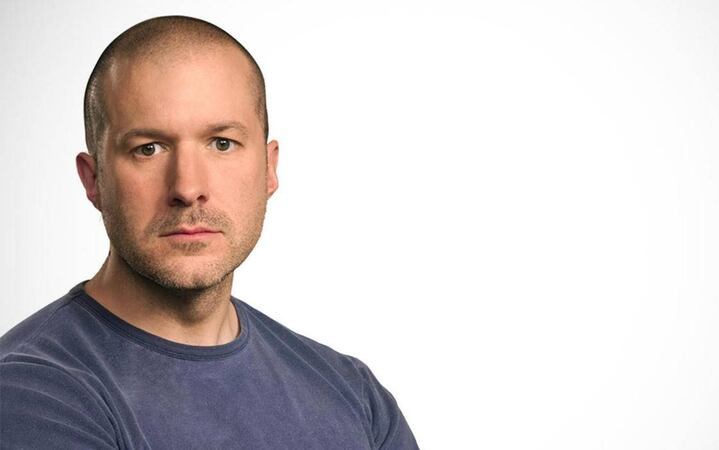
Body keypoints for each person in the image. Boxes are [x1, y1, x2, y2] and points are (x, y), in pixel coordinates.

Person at [0, 15, 418, 449]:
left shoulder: (353, 394)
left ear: (269, 168)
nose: (187, 188)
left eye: (222, 143)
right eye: (148, 149)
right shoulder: (30, 394)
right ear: (94, 180)